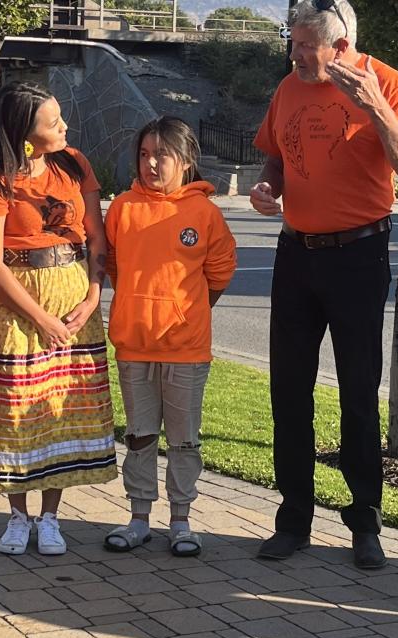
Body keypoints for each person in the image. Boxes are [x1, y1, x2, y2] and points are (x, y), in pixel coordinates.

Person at [250, 0, 398, 567]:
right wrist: (267, 188)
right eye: (294, 43)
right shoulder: (288, 88)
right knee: (288, 389)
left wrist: (375, 107)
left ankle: (365, 522)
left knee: (357, 390)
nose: (296, 55)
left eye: (307, 46)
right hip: (295, 254)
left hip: (358, 254)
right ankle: (293, 519)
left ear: (341, 45)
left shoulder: (387, 84)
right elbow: (276, 158)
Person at [0, 81, 117, 556]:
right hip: (15, 305)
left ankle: (51, 517)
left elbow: (96, 237)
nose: (65, 127)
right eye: (53, 122)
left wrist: (93, 296)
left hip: (73, 296)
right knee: (16, 407)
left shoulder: (73, 163)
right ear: (23, 133)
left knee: (60, 410)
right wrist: (41, 319)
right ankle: (17, 515)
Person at [102, 117, 237, 557]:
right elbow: (115, 267)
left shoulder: (204, 213)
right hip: (133, 345)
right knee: (139, 436)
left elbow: (219, 273)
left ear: (186, 159)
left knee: (183, 440)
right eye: (144, 154)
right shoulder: (122, 208)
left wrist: (186, 311)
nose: (151, 164)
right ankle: (138, 519)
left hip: (186, 350)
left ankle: (181, 521)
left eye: (162, 154)